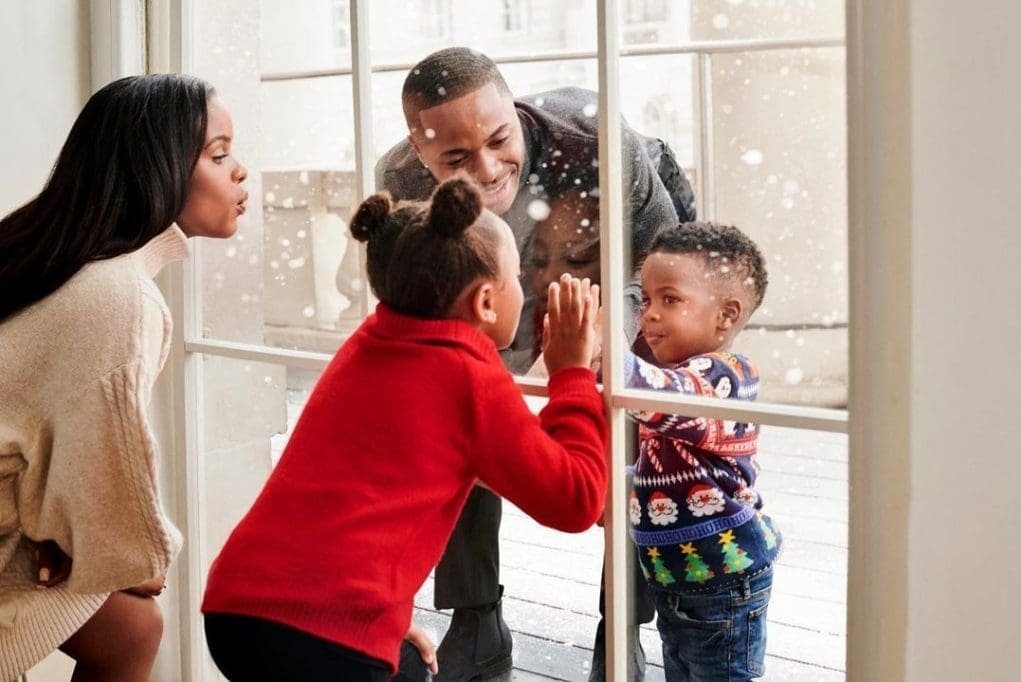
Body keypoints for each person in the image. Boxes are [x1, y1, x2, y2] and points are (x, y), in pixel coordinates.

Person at [201, 177, 609, 681]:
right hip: (323, 637)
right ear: (485, 301)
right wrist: (572, 373)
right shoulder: (467, 377)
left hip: (237, 607)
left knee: (411, 669)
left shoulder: (371, 342)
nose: (524, 286)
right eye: (517, 276)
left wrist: (383, 624)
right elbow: (574, 501)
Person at [377, 46, 694, 680]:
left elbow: (663, 266)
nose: (489, 169)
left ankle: (621, 627)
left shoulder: (597, 142)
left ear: (515, 110)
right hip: (506, 290)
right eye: (457, 159)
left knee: (636, 429)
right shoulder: (402, 183)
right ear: (419, 149)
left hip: (629, 270)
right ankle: (477, 621)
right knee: (456, 414)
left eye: (500, 140)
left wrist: (599, 341)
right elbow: (429, 310)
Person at [0, 74, 248, 680]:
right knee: (137, 617)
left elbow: (61, 439)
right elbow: (111, 475)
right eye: (219, 155)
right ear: (156, 168)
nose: (240, 172)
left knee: (128, 626)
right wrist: (132, 557)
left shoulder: (64, 262)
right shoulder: (119, 295)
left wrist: (83, 537)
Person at [623, 222, 782, 681]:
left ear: (726, 316)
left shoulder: (725, 376)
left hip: (724, 581)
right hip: (678, 578)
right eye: (646, 300)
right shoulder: (675, 375)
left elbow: (648, 393)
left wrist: (600, 342)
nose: (650, 315)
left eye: (670, 300)